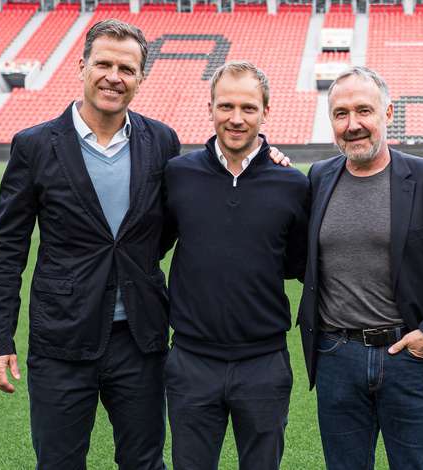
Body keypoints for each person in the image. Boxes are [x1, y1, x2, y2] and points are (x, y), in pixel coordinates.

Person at [0, 19, 179, 469]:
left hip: (140, 338)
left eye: (126, 69)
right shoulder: (34, 145)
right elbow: (6, 249)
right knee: (59, 463)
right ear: (82, 66)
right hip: (62, 338)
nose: (114, 77)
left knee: (146, 463)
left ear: (141, 78)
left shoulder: (162, 140)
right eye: (103, 64)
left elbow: (167, 226)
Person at [296, 66, 423, 470]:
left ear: (387, 113)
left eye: (364, 111)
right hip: (336, 355)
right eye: (341, 114)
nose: (352, 124)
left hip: (407, 358)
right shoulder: (319, 177)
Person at [160, 61, 308, 470]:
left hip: (264, 362)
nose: (237, 118)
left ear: (266, 111)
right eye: (226, 106)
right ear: (210, 108)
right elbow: (154, 245)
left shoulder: (293, 184)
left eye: (248, 108)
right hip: (191, 361)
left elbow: (297, 263)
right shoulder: (178, 174)